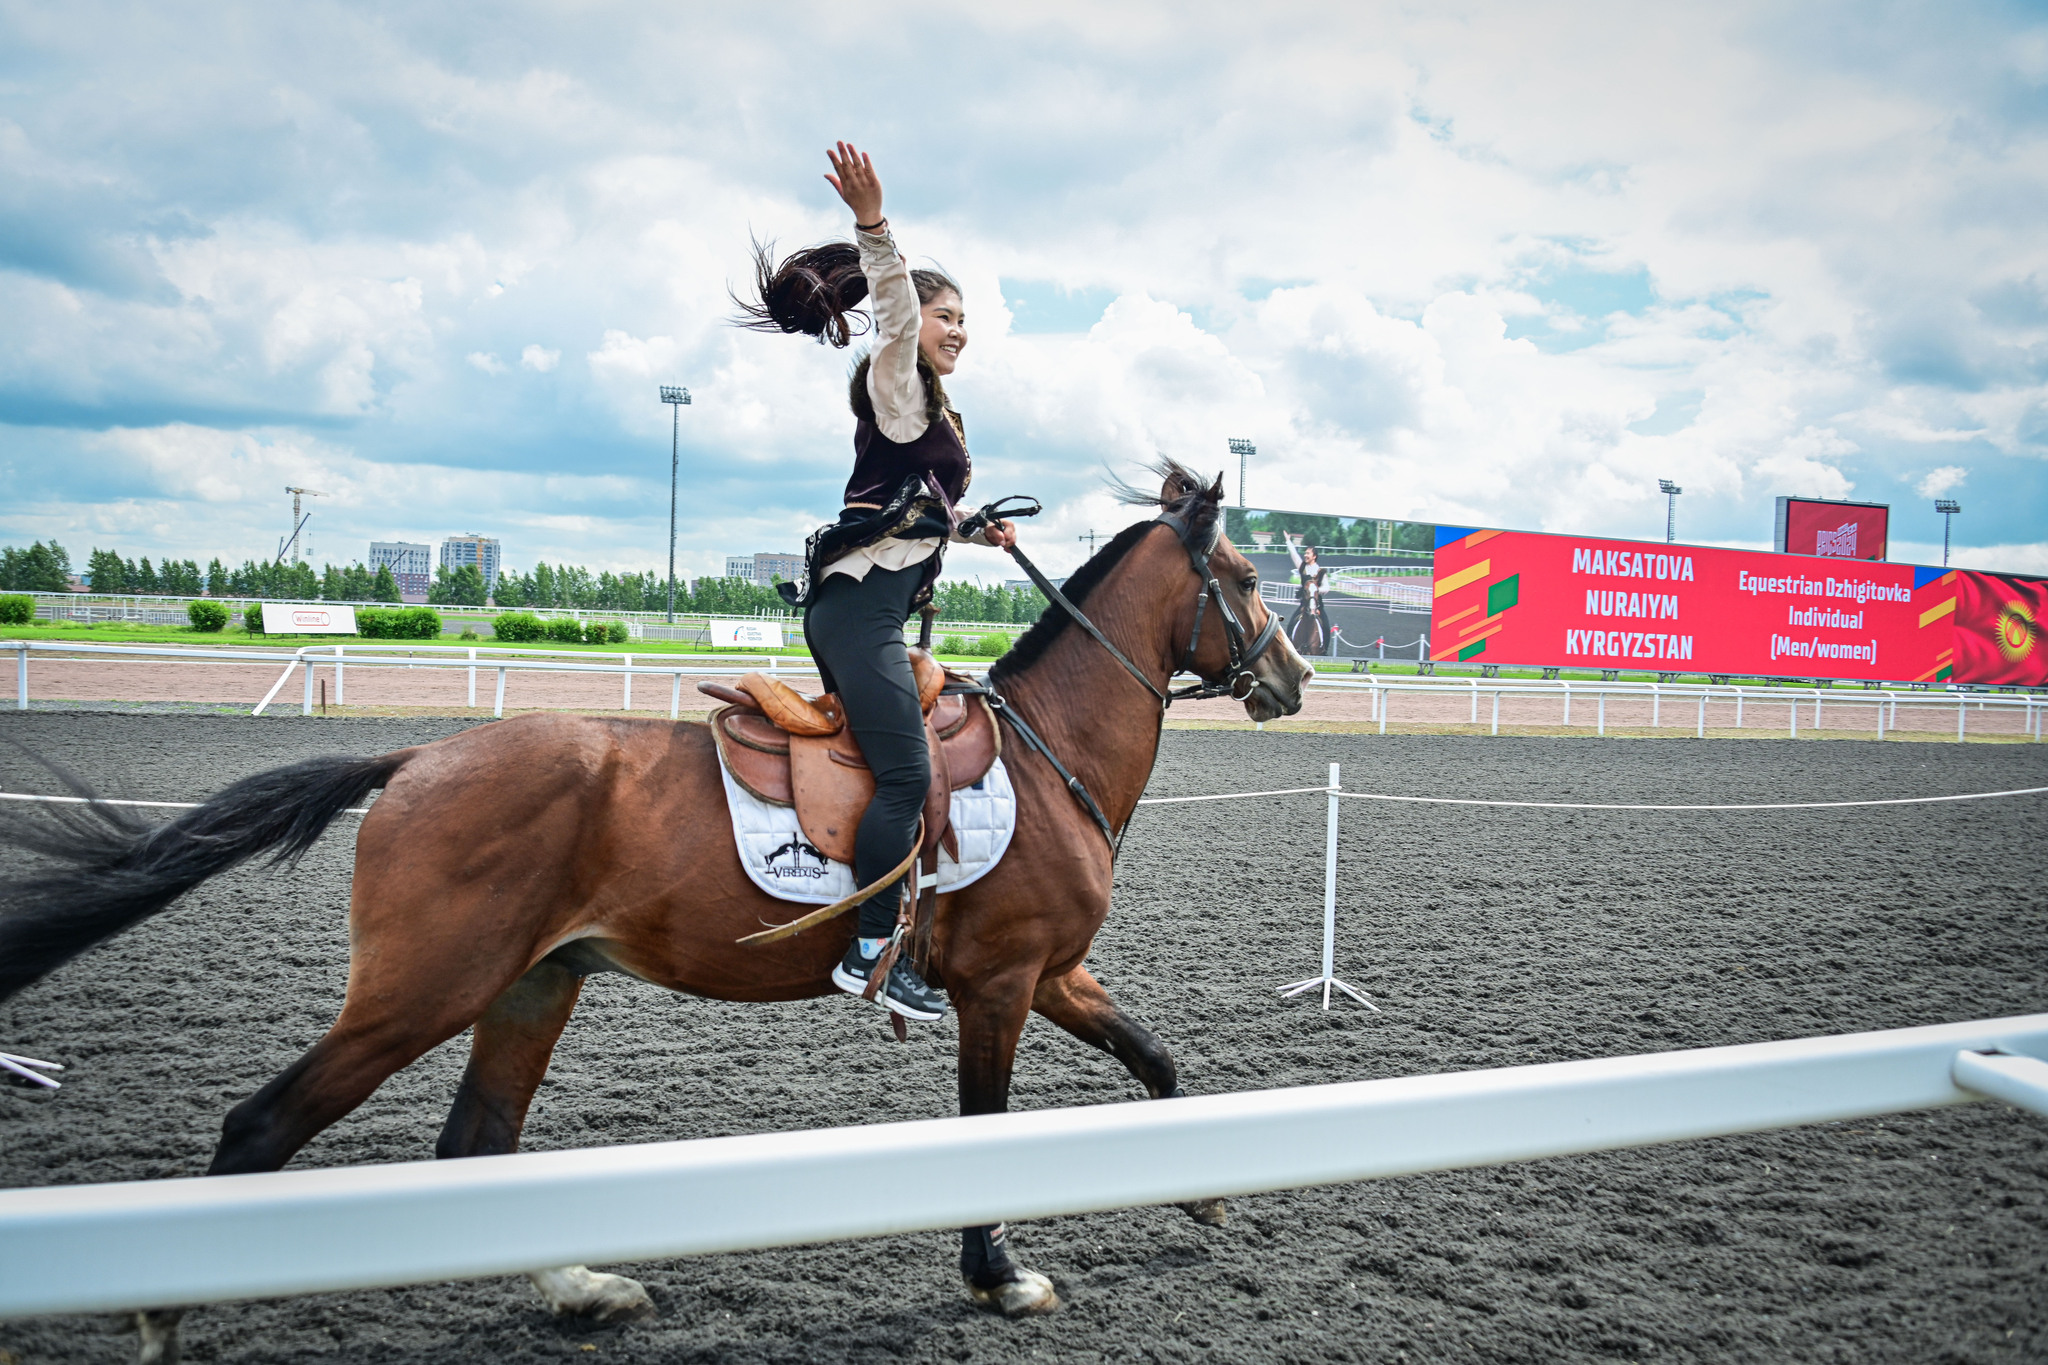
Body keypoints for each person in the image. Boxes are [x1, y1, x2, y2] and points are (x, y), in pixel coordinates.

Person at [736, 141, 1015, 1022]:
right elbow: (893, 315)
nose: (956, 328)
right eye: (946, 315)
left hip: (872, 608)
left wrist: (972, 528)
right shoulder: (899, 375)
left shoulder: (931, 407)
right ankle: (866, 954)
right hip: (859, 615)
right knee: (903, 777)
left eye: (964, 317)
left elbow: (905, 511)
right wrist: (874, 228)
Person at [1285, 534, 1329, 655]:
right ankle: (1288, 647)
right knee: (1291, 624)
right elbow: (1294, 556)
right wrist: (1288, 541)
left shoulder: (1321, 572)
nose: (1305, 555)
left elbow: (1327, 587)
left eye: (1308, 553)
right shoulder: (1302, 567)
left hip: (1317, 604)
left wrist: (1316, 590)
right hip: (1304, 604)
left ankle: (1324, 650)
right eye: (1305, 553)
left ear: (1314, 556)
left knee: (1326, 626)